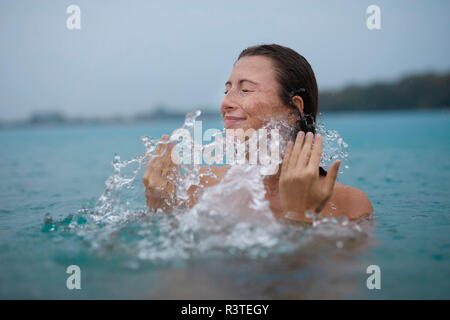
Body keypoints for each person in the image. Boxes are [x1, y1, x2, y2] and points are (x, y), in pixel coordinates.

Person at [142, 44, 373, 223]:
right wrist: (162, 209)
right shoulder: (201, 188)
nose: (226, 102)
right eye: (227, 89)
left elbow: (319, 284)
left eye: (245, 90)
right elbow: (179, 277)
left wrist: (300, 216)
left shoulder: (348, 204)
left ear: (294, 109)